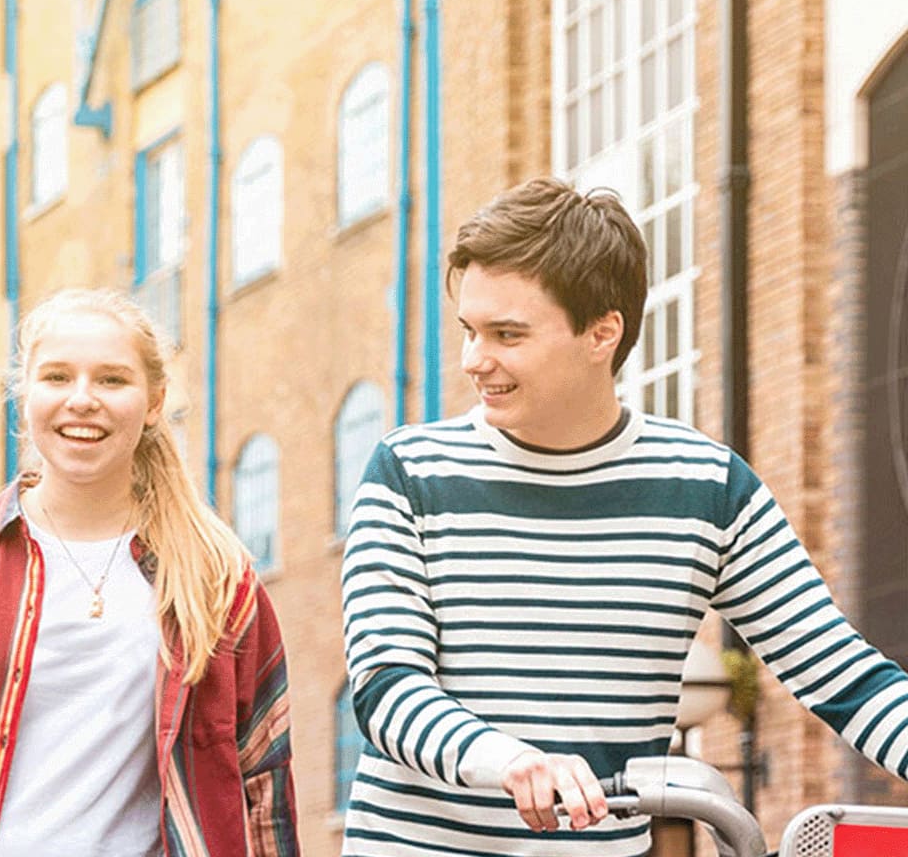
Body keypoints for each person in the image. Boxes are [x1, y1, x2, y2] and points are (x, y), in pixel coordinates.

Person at [340, 177, 908, 855]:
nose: (473, 360)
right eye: (469, 329)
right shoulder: (408, 474)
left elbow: (843, 675)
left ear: (601, 332)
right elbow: (385, 687)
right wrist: (509, 760)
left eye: (506, 334)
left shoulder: (708, 488)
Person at [0, 288, 300, 857]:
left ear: (154, 401)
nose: (82, 400)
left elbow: (264, 781)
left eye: (111, 380)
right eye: (57, 377)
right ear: (24, 394)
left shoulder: (215, 578)